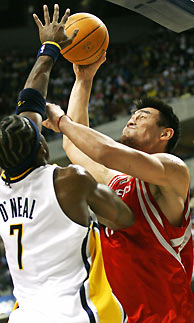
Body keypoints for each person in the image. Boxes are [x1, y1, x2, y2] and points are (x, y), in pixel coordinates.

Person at [0, 5, 133, 323]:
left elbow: (30, 100)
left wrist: (50, 49)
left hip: (25, 316)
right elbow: (123, 219)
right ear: (41, 145)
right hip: (74, 314)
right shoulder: (70, 179)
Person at [43, 55, 194, 322]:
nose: (132, 118)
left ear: (165, 134)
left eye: (143, 116)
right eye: (133, 114)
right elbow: (73, 147)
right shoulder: (116, 180)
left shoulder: (174, 170)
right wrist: (83, 79)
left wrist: (62, 122)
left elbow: (104, 151)